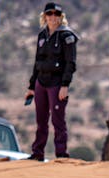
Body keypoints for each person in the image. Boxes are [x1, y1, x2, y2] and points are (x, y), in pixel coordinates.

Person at [25, 2, 78, 161]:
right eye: (49, 14)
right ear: (44, 16)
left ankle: (61, 155)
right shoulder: (42, 35)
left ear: (61, 17)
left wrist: (65, 86)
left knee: (58, 120)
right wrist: (31, 86)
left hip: (57, 84)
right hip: (41, 82)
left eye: (56, 14)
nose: (53, 17)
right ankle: (37, 153)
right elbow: (37, 61)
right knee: (41, 120)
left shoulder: (67, 36)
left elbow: (71, 63)